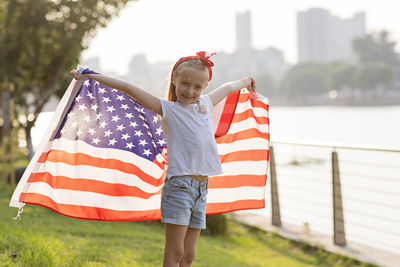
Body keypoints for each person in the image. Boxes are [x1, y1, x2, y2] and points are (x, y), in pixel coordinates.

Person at [70, 51, 256, 267]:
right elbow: (128, 88)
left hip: (202, 189)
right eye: (185, 84)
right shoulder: (168, 109)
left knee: (189, 255)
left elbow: (228, 88)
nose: (190, 91)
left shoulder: (205, 104)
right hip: (179, 187)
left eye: (197, 86)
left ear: (205, 86)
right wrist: (90, 75)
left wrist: (247, 81)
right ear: (174, 79)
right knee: (175, 252)